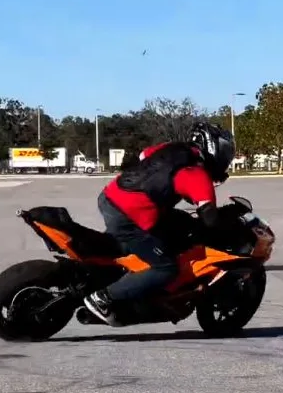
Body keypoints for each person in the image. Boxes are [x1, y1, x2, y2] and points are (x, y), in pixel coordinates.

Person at [84, 122, 235, 325]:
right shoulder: (196, 174)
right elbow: (209, 217)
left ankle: (122, 271)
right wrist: (224, 229)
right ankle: (104, 297)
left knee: (180, 222)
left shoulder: (173, 148)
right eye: (225, 152)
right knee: (165, 268)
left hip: (111, 195)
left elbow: (143, 156)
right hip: (130, 215)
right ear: (212, 148)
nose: (226, 159)